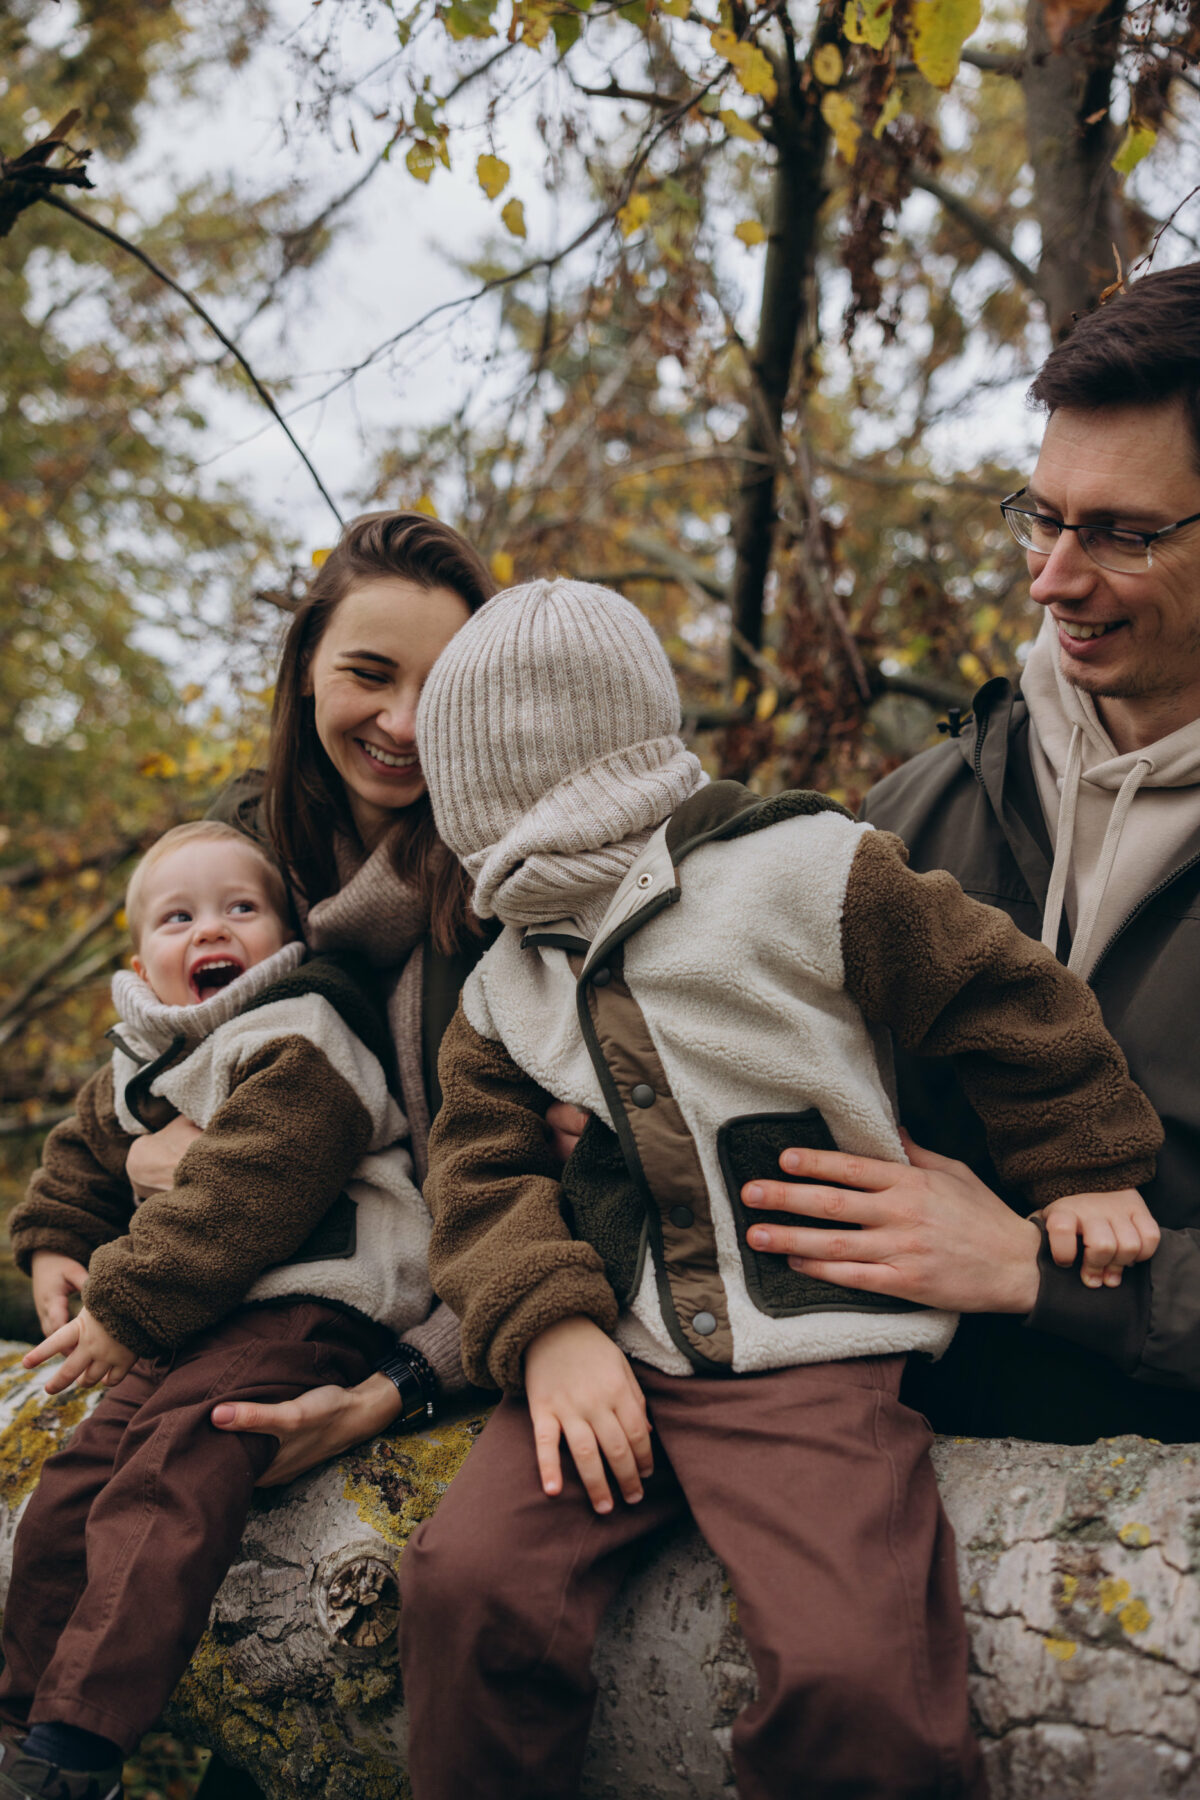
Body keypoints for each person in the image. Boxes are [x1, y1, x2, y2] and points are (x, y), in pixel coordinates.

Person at [395, 577, 1163, 1800]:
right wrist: (546, 1332)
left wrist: (1082, 1165)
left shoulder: (806, 869)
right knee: (466, 1587)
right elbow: (476, 1178)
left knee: (854, 1672)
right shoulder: (504, 984)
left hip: (811, 1355)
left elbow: (1002, 993)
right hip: (607, 1354)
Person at [735, 261, 1200, 1445]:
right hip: (885, 1475)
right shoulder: (913, 811)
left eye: (1123, 534)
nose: (1052, 577)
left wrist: (1038, 1276)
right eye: (1043, 516)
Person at [0, 821, 435, 1800]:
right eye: (178, 917)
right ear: (140, 964)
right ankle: (20, 1722)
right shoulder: (146, 1054)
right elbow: (80, 1150)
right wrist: (58, 1241)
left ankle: (79, 1744)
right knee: (71, 1491)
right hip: (192, 1317)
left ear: (287, 933)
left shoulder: (306, 1029)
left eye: (241, 908)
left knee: (174, 1466)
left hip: (313, 1305)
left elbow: (251, 1182)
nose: (211, 930)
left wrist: (126, 1301)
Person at [126, 511, 503, 1477]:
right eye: (369, 674)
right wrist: (102, 1190)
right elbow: (152, 1055)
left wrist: (397, 1386)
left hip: (429, 1327)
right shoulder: (237, 856)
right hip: (216, 1298)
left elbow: (540, 1193)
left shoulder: (507, 886)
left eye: (440, 690)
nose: (404, 725)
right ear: (304, 668)